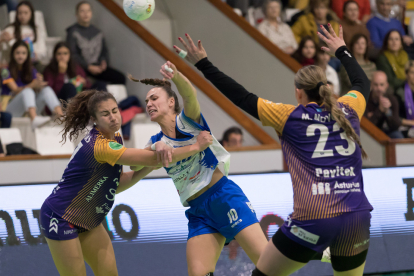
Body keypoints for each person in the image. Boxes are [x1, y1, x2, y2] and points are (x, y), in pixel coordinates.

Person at [176, 26, 373, 276]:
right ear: (327, 88)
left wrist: (204, 64)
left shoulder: (288, 116)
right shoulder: (350, 108)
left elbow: (242, 97)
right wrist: (342, 50)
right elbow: (362, 81)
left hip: (313, 218)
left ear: (298, 91)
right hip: (357, 217)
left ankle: (314, 248)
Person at [40, 88, 212, 275]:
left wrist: (152, 155)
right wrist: (195, 146)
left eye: (115, 111)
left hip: (88, 217)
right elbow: (152, 159)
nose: (113, 117)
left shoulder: (115, 137)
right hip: (60, 217)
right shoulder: (99, 146)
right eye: (105, 114)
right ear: (94, 119)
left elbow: (116, 184)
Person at [128, 58, 268, 276]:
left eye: (154, 98)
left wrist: (175, 75)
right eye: (147, 101)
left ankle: (306, 250)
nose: (148, 104)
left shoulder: (188, 121)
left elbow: (189, 94)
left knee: (267, 263)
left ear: (171, 102)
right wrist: (156, 146)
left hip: (223, 196)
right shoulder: (155, 141)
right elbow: (133, 163)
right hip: (198, 211)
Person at [1, 40, 62, 130]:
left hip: (27, 107)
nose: (20, 56)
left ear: (27, 55)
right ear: (12, 54)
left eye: (23, 53)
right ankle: (34, 119)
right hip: (9, 108)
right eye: (17, 53)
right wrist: (32, 85)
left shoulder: (31, 69)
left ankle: (61, 117)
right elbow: (15, 90)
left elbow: (35, 88)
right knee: (27, 90)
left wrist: (39, 85)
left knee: (47, 90)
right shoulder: (5, 70)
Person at [66, 1, 126, 85]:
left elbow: (104, 51)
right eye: (82, 11)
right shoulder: (72, 32)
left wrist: (103, 62)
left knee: (120, 78)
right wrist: (88, 67)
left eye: (88, 11)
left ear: (91, 13)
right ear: (76, 14)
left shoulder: (98, 32)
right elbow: (72, 54)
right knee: (97, 83)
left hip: (98, 67)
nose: (85, 13)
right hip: (82, 68)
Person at [1, 1, 48, 66]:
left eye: (26, 13)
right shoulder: (10, 29)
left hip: (31, 64)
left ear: (31, 13)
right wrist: (2, 39)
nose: (23, 16)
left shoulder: (37, 30)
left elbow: (42, 51)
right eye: (20, 13)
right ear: (16, 14)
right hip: (13, 65)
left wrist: (33, 56)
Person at [365, 71, 406, 138]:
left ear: (386, 85)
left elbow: (396, 126)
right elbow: (366, 127)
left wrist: (387, 112)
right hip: (370, 135)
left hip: (387, 132)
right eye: (376, 84)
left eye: (381, 85)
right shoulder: (365, 100)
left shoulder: (392, 100)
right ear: (371, 84)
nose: (379, 88)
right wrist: (379, 110)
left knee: (398, 135)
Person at [394, 61, 414, 137]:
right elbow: (396, 117)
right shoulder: (400, 92)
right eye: (412, 73)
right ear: (406, 74)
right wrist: (412, 123)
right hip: (404, 128)